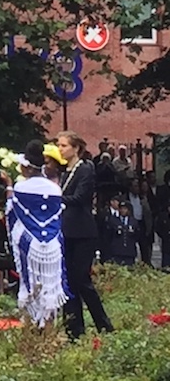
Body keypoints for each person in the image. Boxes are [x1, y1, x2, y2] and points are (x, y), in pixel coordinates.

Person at [54, 130, 113, 338]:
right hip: (66, 233)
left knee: (81, 280)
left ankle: (104, 325)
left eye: (63, 145)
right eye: (59, 145)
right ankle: (74, 329)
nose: (60, 149)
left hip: (82, 232)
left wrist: (54, 199)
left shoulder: (85, 169)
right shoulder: (64, 172)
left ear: (76, 148)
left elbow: (80, 198)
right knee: (68, 282)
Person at [6, 140, 67, 328]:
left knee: (29, 284)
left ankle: (30, 330)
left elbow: (11, 212)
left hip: (29, 245)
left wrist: (9, 187)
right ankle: (49, 331)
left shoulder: (20, 188)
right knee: (50, 287)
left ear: (27, 168)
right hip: (53, 245)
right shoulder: (55, 189)